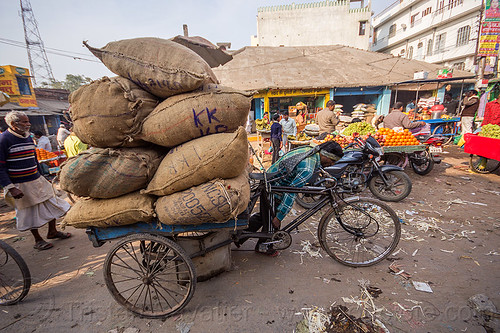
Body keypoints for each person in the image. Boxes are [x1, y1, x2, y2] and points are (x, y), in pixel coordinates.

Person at [0, 111, 71, 251]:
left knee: (52, 203)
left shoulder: (27, 137)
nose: (28, 124)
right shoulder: (4, 140)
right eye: (24, 122)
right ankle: (38, 239)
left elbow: (34, 159)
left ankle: (52, 231)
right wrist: (11, 187)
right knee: (29, 212)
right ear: (14, 124)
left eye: (28, 121)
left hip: (36, 179)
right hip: (20, 184)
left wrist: (41, 175)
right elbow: (0, 167)